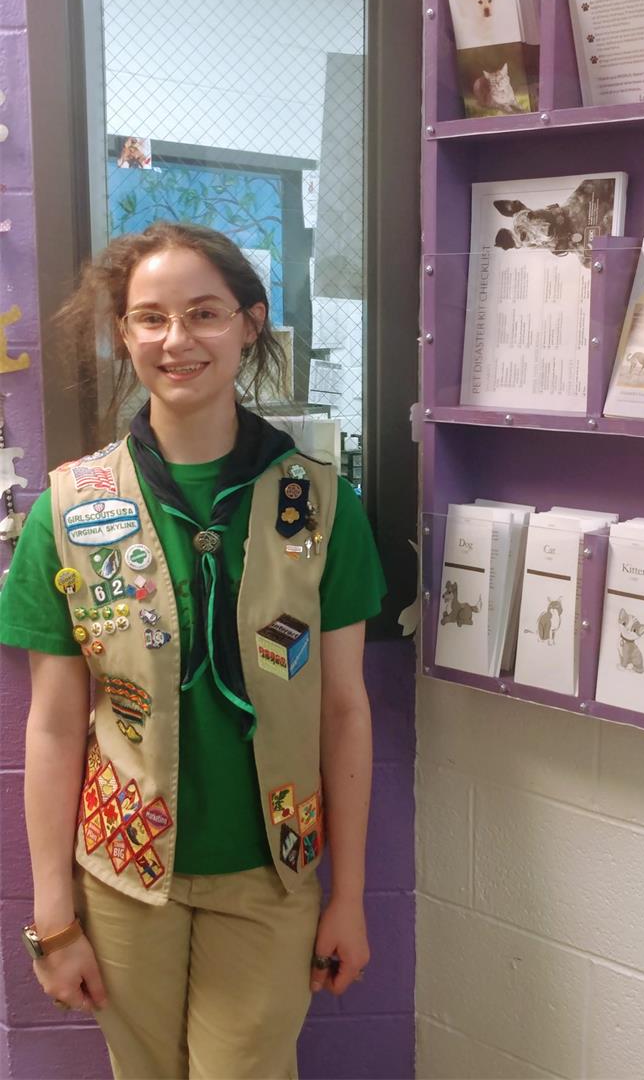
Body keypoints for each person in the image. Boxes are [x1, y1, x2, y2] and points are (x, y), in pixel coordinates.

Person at [0, 221, 386, 1080]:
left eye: (205, 313)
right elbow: (57, 727)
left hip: (269, 877)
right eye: (149, 319)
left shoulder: (319, 506)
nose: (177, 341)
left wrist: (349, 898)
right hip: (124, 879)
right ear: (124, 335)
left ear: (251, 324)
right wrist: (54, 917)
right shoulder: (67, 510)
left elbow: (343, 708)